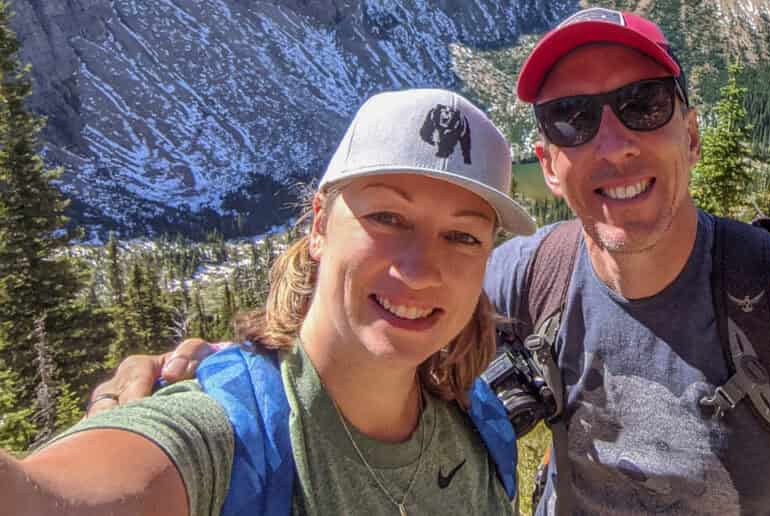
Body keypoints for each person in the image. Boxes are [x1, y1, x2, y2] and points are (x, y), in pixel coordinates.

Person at [95, 9, 770, 515]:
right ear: (550, 161)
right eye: (572, 119)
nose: (613, 142)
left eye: (643, 105)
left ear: (691, 133)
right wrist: (208, 373)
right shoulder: (519, 275)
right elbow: (370, 324)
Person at [2, 88, 534, 515]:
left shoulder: (477, 426)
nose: (418, 272)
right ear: (321, 223)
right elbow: (44, 495)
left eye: (463, 237)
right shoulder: (224, 433)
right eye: (387, 219)